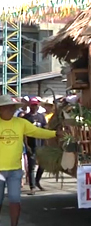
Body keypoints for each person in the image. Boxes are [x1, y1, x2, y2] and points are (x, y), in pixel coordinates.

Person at [0, 96, 61, 226]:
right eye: (6, 107)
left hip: (15, 170)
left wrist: (55, 134)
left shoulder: (20, 123)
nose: (10, 110)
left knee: (15, 201)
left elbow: (37, 132)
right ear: (0, 109)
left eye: (12, 107)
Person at [21, 99, 46, 195]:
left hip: (41, 145)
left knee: (43, 165)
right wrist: (26, 145)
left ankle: (37, 181)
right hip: (31, 145)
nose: (34, 107)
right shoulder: (26, 118)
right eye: (32, 105)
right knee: (31, 167)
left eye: (35, 105)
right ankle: (32, 187)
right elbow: (23, 133)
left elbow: (45, 129)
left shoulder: (41, 117)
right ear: (29, 106)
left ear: (37, 106)